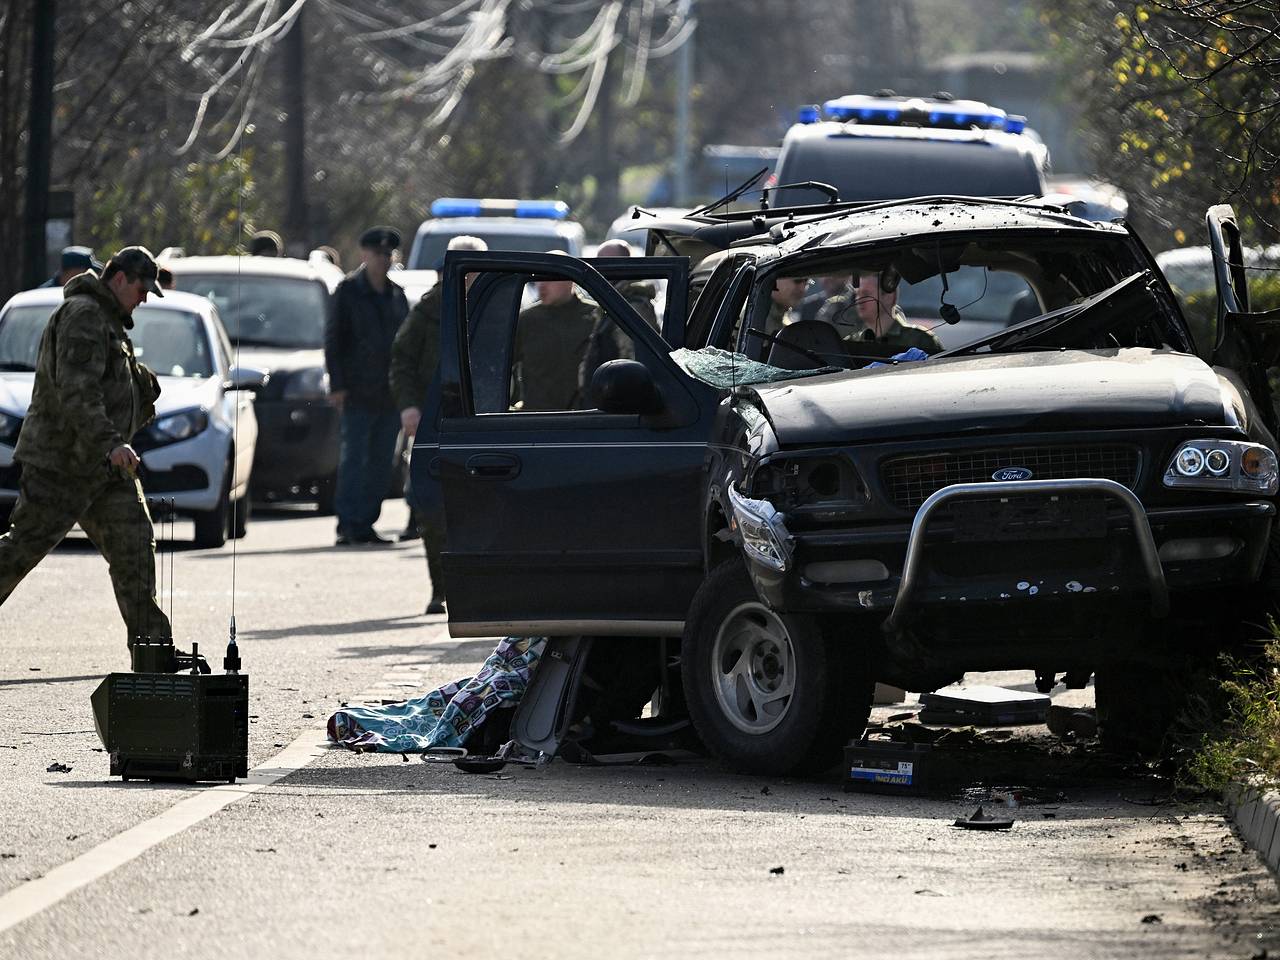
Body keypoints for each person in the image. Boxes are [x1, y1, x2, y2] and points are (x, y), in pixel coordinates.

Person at [0, 247, 186, 661]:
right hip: (62, 464)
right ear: (118, 278)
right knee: (19, 552)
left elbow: (108, 387)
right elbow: (77, 392)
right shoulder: (84, 315)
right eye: (140, 289)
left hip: (103, 467)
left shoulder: (109, 321)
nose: (143, 298)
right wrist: (112, 443)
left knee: (135, 549)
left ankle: (153, 656)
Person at [389, 235, 488, 614]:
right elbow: (401, 362)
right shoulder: (430, 311)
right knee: (432, 507)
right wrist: (409, 408)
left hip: (484, 418)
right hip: (437, 419)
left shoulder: (491, 303)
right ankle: (440, 588)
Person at [325, 226, 410, 546]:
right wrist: (338, 385)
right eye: (378, 254)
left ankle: (366, 522)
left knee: (381, 463)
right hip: (357, 391)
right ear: (365, 255)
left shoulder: (396, 295)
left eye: (389, 255)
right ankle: (348, 524)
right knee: (353, 460)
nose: (383, 260)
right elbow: (334, 342)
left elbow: (404, 346)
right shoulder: (347, 292)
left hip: (389, 394)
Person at [513, 271, 600, 411]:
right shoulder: (526, 320)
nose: (541, 285)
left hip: (585, 417)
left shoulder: (596, 316)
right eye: (538, 280)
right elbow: (500, 368)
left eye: (549, 280)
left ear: (569, 282)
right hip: (538, 419)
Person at [576, 239, 653, 393]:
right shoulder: (611, 304)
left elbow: (635, 363)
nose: (600, 271)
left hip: (618, 405)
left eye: (606, 264)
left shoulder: (630, 308)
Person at [817, 267, 943, 355]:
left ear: (889, 296)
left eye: (866, 294)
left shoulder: (920, 341)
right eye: (857, 294)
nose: (858, 300)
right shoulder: (852, 344)